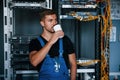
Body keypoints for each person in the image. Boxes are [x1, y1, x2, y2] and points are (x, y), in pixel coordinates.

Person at [29, 9, 77, 80]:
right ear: (42, 23)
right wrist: (51, 41)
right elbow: (34, 62)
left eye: (55, 20)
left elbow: (73, 64)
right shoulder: (35, 42)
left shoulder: (65, 39)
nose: (54, 23)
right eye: (50, 20)